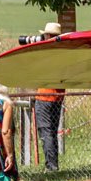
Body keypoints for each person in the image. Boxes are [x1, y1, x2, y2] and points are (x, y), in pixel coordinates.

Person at [33, 22, 65, 171]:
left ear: (48, 36)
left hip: (45, 96)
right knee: (52, 131)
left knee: (46, 132)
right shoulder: (62, 53)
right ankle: (53, 164)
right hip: (57, 96)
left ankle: (51, 166)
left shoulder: (47, 53)